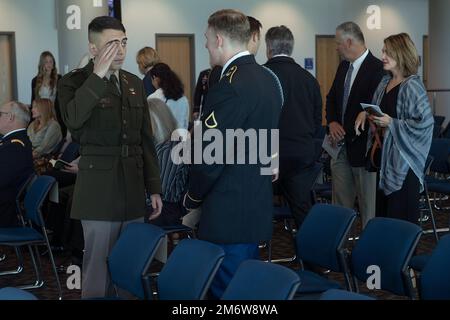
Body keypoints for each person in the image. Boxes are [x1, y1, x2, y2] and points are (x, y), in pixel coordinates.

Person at [58, 16, 162, 299]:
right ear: (93, 49)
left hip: (132, 185)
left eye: (124, 42)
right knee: (97, 267)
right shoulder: (73, 82)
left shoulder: (133, 82)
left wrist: (153, 187)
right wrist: (97, 77)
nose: (120, 50)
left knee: (130, 265)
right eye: (111, 44)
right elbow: (74, 122)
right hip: (98, 190)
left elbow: (145, 139)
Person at [183, 9, 282, 299]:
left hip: (228, 211)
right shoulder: (268, 79)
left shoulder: (229, 85)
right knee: (246, 289)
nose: (204, 45)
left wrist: (193, 196)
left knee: (227, 292)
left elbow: (211, 156)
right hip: (254, 204)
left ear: (218, 39)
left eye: (206, 39)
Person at [355, 33, 434, 224]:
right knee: (385, 216)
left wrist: (392, 123)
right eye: (383, 51)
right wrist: (366, 113)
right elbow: (378, 110)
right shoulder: (385, 82)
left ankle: (404, 255)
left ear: (401, 54)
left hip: (404, 165)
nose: (382, 56)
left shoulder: (412, 86)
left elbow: (425, 124)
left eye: (387, 52)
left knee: (401, 220)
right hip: (385, 160)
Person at [326, 22, 384, 228]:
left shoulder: (378, 68)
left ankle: (369, 254)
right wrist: (332, 121)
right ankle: (336, 251)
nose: (337, 47)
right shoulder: (343, 67)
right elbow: (331, 98)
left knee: (369, 208)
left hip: (363, 149)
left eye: (338, 43)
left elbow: (378, 106)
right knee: (339, 207)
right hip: (339, 146)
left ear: (349, 42)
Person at [264, 25, 322, 227]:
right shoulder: (309, 79)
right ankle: (310, 256)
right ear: (291, 47)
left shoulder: (261, 76)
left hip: (268, 156)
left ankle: (261, 254)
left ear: (268, 48)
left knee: (261, 208)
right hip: (301, 155)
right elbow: (317, 122)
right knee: (302, 212)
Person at [147, 98, 188, 227]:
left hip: (166, 208)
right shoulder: (157, 145)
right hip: (158, 204)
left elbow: (160, 190)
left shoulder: (169, 149)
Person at [0, 101, 34, 227]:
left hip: (4, 211)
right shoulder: (13, 142)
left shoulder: (14, 146)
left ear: (10, 117)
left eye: (0, 114)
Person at [207, 15, 262, 90]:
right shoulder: (266, 75)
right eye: (260, 38)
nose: (206, 45)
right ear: (255, 36)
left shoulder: (219, 69)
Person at [31, 51, 65, 137]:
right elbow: (33, 100)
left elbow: (62, 99)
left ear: (53, 63)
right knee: (41, 136)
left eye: (51, 61)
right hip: (40, 114)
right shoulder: (35, 81)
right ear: (42, 64)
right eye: (46, 62)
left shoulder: (59, 78)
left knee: (53, 136)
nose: (49, 64)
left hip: (54, 113)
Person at [148, 63, 190, 130]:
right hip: (181, 137)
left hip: (163, 139)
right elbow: (185, 123)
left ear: (155, 78)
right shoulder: (183, 98)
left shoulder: (153, 98)